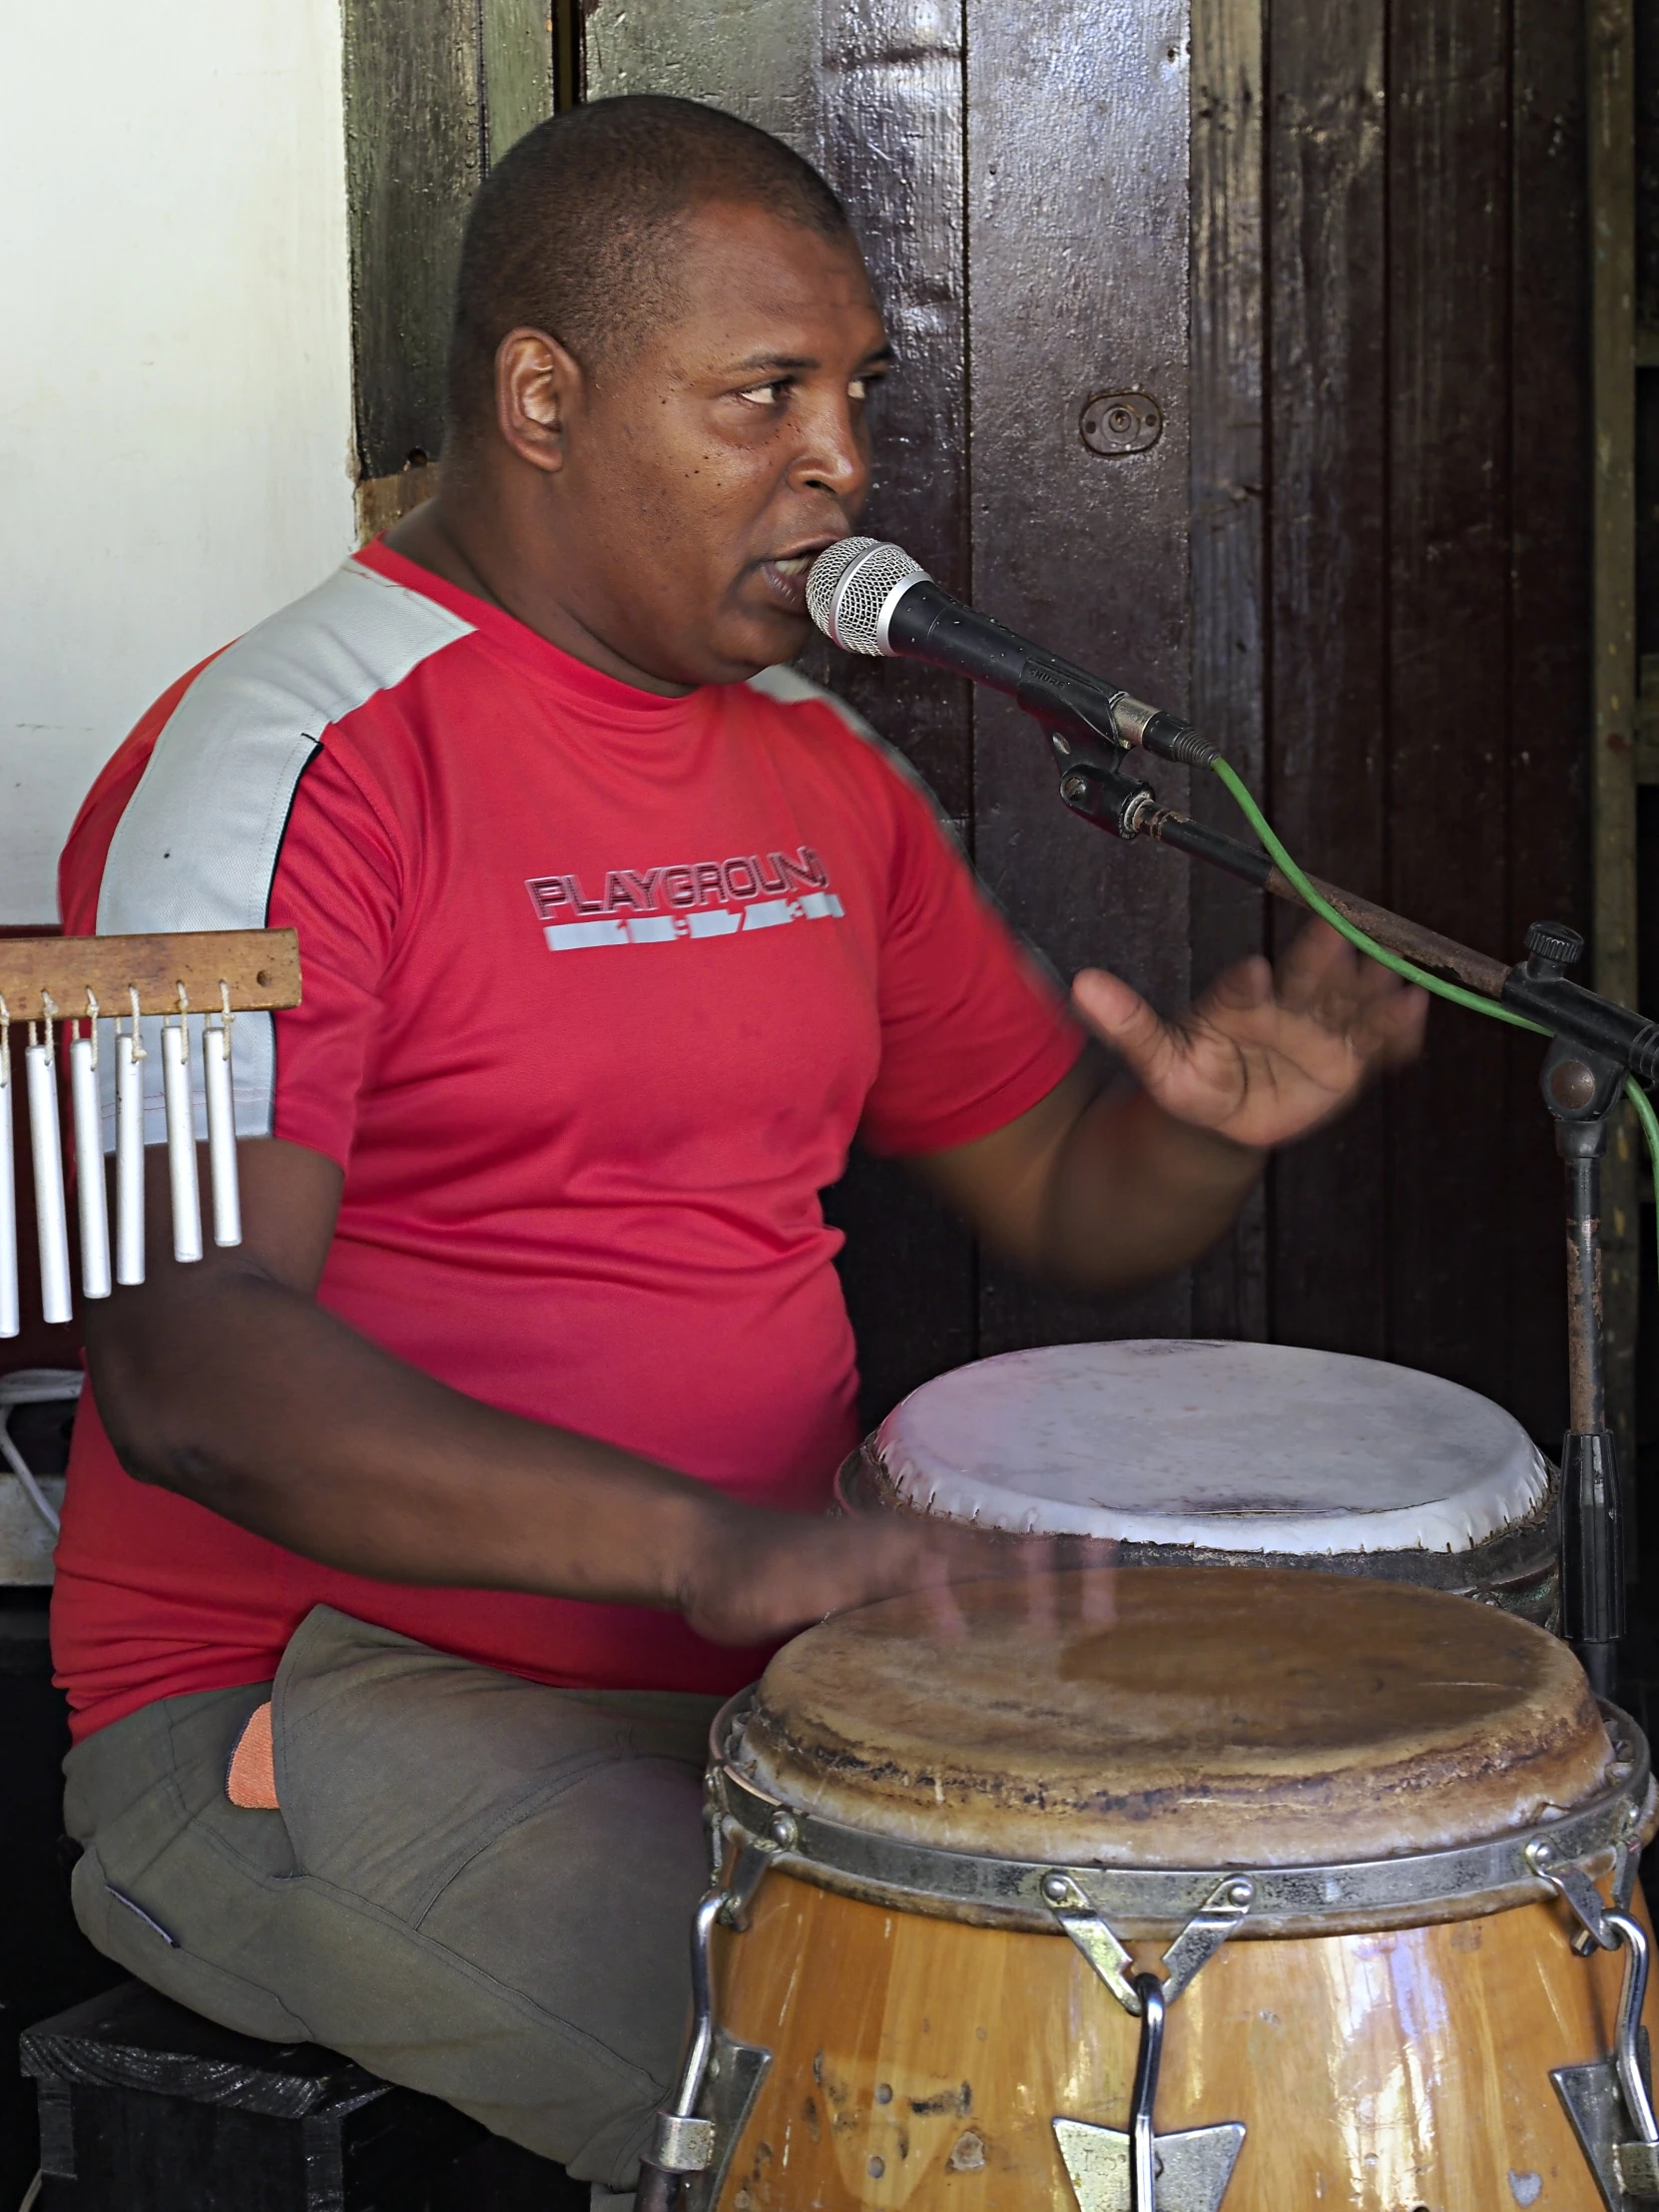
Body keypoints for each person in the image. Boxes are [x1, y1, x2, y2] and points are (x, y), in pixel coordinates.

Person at [52, 96, 1425, 2204]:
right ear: (542, 395)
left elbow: (1062, 1194)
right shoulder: (276, 757)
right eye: (764, 392)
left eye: (857, 389)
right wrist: (725, 1544)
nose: (844, 464)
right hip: (309, 1703)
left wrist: (1198, 1128)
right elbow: (189, 1366)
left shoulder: (815, 770)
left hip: (771, 1681)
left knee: (1240, 2026)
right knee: (937, 2105)